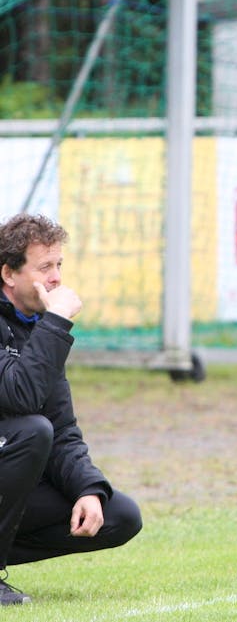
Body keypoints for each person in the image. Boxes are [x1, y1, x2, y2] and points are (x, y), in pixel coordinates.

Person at [0, 213, 142, 606]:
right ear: (9, 274)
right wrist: (57, 322)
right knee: (31, 431)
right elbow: (19, 394)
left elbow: (62, 428)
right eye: (44, 267)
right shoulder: (48, 327)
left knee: (119, 515)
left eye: (59, 264)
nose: (57, 278)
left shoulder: (38, 327)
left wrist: (87, 489)